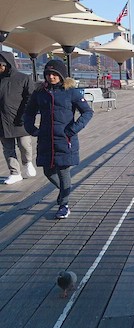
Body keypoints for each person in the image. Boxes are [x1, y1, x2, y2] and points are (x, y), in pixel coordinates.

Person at [24, 60, 93, 219]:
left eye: (55, 74)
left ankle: (64, 204)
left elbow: (87, 112)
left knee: (63, 171)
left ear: (61, 75)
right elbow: (29, 112)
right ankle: (65, 191)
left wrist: (73, 129)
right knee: (48, 171)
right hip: (46, 138)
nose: (51, 77)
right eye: (48, 74)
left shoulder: (71, 92)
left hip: (65, 139)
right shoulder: (40, 92)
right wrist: (32, 129)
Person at [0, 51, 36, 184]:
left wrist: (25, 115)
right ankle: (15, 172)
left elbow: (30, 97)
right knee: (8, 148)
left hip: (20, 118)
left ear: (7, 64)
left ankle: (28, 163)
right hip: (2, 120)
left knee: (25, 145)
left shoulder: (23, 78)